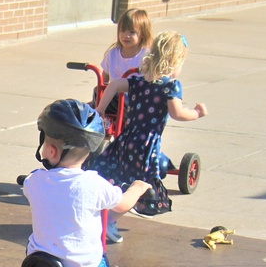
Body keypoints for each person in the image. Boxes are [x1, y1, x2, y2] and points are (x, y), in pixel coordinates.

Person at [24, 99, 149, 267]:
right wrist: (138, 188)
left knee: (38, 252)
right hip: (83, 266)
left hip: (40, 262)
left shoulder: (34, 180)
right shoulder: (93, 183)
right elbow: (122, 204)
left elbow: (32, 189)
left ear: (50, 150)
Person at [89, 31, 208, 239]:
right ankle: (108, 222)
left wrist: (100, 108)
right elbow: (177, 113)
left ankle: (100, 215)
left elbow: (115, 84)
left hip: (126, 139)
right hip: (146, 145)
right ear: (174, 62)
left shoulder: (138, 81)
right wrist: (197, 113)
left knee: (118, 179)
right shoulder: (171, 86)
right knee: (141, 187)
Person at [100, 8, 153, 84]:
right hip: (115, 94)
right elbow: (104, 78)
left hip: (137, 94)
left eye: (132, 32)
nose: (126, 35)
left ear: (142, 34)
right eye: (122, 30)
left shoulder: (146, 57)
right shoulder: (112, 54)